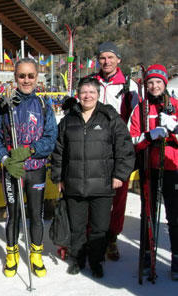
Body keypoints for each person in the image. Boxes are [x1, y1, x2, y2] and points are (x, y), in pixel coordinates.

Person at [51, 78, 135, 278]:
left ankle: (96, 261)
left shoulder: (109, 117)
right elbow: (58, 152)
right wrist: (58, 177)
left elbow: (124, 148)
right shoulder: (68, 120)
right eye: (83, 92)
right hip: (74, 183)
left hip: (103, 184)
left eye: (91, 92)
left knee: (99, 228)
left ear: (98, 94)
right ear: (77, 95)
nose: (87, 96)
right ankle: (78, 259)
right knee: (77, 227)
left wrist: (119, 175)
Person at [0, 57, 58, 278]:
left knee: (36, 214)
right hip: (13, 170)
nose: (26, 80)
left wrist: (31, 150)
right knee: (13, 214)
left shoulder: (45, 105)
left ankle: (35, 254)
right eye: (21, 76)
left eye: (31, 76)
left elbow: (51, 138)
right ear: (15, 77)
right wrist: (6, 159)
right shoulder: (4, 104)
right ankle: (12, 253)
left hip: (35, 168)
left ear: (37, 78)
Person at [127, 64, 178, 280]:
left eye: (158, 82)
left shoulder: (175, 105)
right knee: (148, 214)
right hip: (150, 167)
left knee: (174, 214)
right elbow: (131, 139)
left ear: (165, 83)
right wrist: (149, 136)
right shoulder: (141, 108)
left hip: (173, 167)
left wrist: (174, 129)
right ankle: (147, 254)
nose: (154, 86)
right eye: (150, 82)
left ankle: (176, 256)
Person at [92, 42, 140, 260]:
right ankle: (95, 237)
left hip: (117, 148)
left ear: (118, 59)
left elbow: (134, 120)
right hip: (93, 146)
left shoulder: (129, 85)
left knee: (118, 197)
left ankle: (112, 237)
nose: (106, 61)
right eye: (103, 57)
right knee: (94, 194)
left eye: (110, 57)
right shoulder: (91, 82)